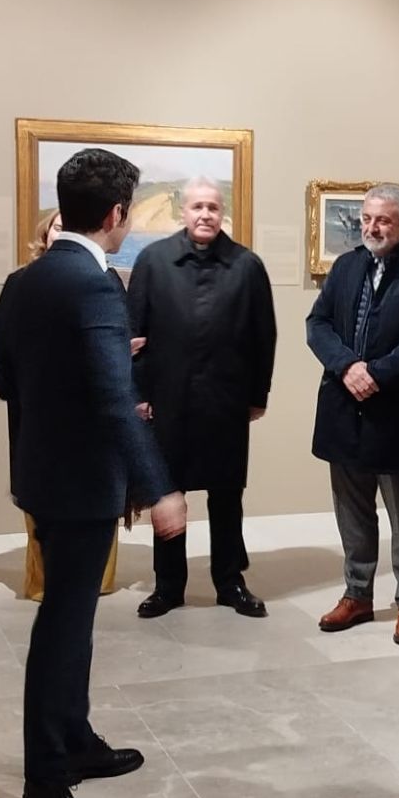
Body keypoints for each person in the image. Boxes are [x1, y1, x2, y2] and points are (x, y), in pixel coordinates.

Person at [0, 148, 188, 798]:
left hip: (42, 475)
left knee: (71, 621)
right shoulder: (96, 286)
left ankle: (75, 738)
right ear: (115, 216)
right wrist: (160, 488)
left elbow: (5, 377)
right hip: (81, 485)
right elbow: (112, 399)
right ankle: (46, 777)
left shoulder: (25, 280)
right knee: (64, 628)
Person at [127, 179, 277, 618]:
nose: (205, 214)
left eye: (213, 207)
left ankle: (230, 582)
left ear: (222, 212)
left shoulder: (247, 265)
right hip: (167, 400)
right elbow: (134, 333)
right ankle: (168, 586)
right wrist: (138, 393)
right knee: (167, 493)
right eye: (197, 207)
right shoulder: (153, 261)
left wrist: (258, 395)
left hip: (226, 400)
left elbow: (262, 336)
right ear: (182, 212)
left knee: (227, 496)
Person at [305, 185, 399, 645]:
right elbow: (317, 324)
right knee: (352, 509)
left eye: (383, 220)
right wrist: (347, 366)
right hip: (343, 407)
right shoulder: (346, 266)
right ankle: (358, 594)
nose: (371, 227)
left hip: (396, 410)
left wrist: (377, 374)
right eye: (366, 218)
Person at [19, 208, 119, 602]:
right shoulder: (23, 283)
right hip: (42, 412)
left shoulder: (107, 281)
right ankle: (45, 583)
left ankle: (98, 580)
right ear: (45, 236)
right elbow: (3, 348)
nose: (64, 236)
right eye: (57, 229)